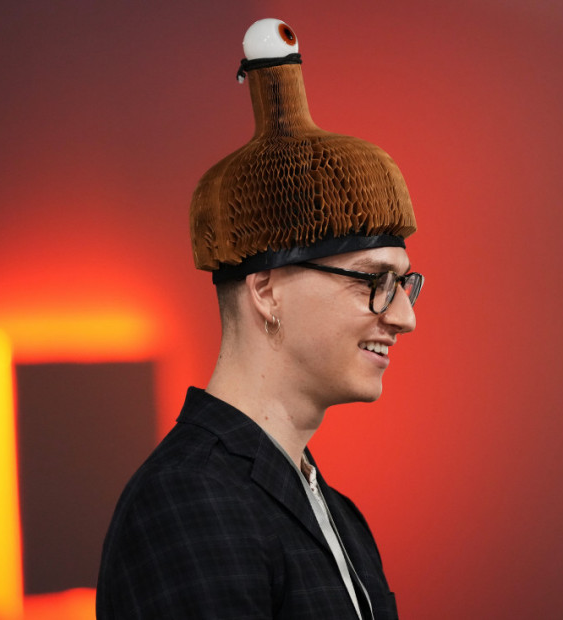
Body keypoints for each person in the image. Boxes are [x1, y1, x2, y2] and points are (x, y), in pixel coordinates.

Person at [97, 18, 422, 620]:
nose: (404, 317)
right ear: (267, 291)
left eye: (404, 284)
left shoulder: (333, 513)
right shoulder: (189, 505)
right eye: (373, 281)